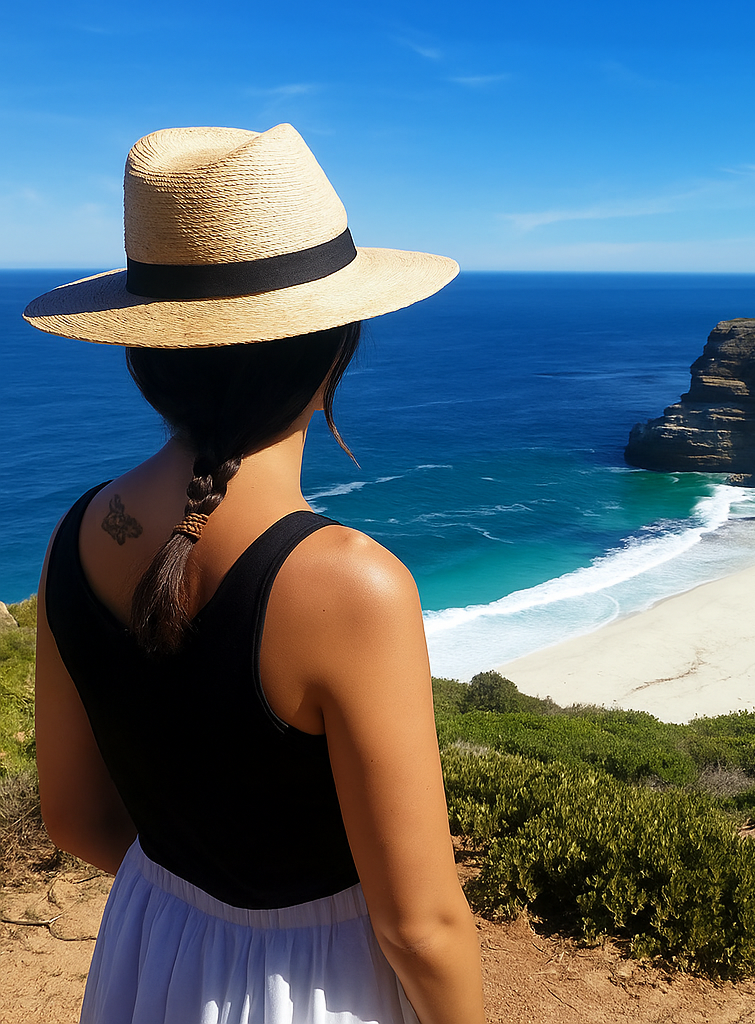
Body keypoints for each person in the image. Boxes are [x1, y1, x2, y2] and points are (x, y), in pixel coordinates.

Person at [24, 124, 485, 1024]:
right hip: (313, 985)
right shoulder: (351, 583)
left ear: (145, 354)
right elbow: (420, 925)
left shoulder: (74, 533)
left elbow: (76, 820)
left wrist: (201, 912)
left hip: (149, 948)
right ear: (331, 352)